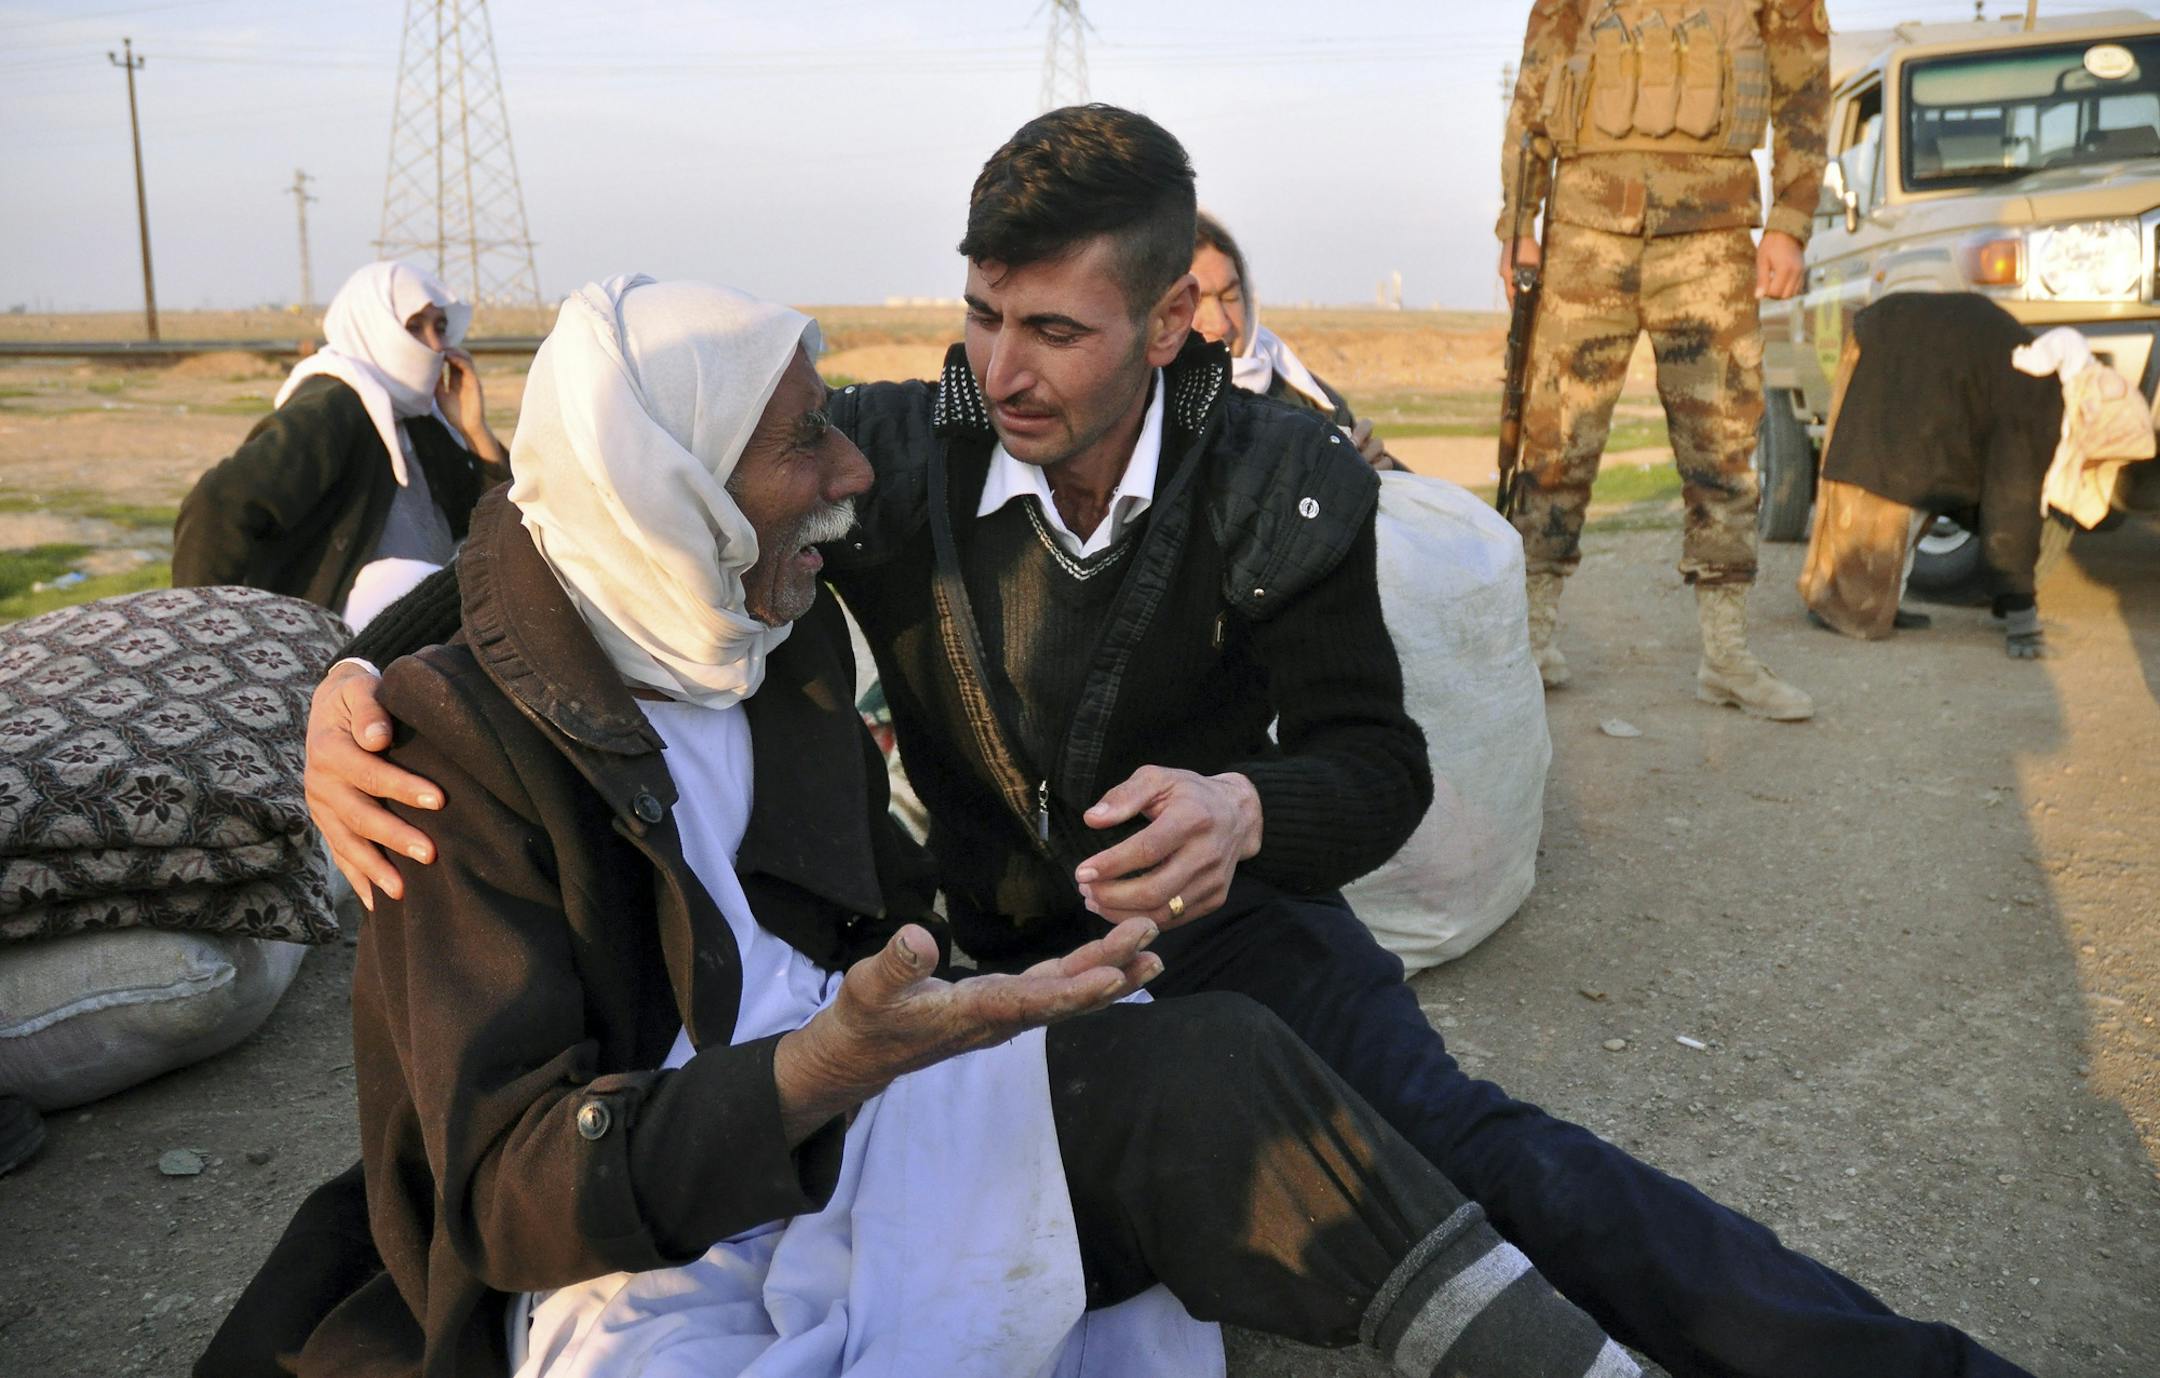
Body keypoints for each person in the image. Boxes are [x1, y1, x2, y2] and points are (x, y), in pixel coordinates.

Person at [308, 106, 2038, 1378]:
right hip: (986, 959)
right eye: (982, 315)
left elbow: (1379, 768)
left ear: (1169, 325)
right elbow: (591, 519)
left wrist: (1245, 808)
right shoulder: (913, 442)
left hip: (1237, 929)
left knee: (1479, 1156)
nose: (1002, 369)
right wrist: (359, 681)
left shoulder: (1281, 476)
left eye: (1054, 330)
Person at [212, 273, 1632, 1378]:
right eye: (803, 441)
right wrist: (813, 1071)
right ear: (677, 489)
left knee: (1213, 1067)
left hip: (867, 1112)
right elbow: (508, 1193)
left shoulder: (767, 642)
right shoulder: (450, 757)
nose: (851, 471)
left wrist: (972, 999)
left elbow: (876, 920)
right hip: (644, 1251)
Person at [1497, 0, 1824, 718]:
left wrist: (1791, 222)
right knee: (1555, 443)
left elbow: (1803, 86)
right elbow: (1538, 77)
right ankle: (1528, 645)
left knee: (1723, 450)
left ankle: (1727, 658)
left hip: (1712, 231)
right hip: (1585, 232)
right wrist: (1518, 222)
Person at [172, 260, 508, 632]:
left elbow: (493, 527)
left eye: (440, 328)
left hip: (418, 628)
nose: (435, 346)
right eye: (414, 327)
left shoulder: (420, 415)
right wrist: (208, 629)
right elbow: (218, 503)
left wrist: (475, 431)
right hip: (338, 635)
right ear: (373, 327)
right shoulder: (334, 408)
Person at [1191, 210, 1398, 469]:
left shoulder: (1310, 399)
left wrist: (1374, 473)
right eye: (1195, 302)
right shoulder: (1150, 417)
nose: (1221, 324)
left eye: (1230, 297)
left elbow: (1402, 483)